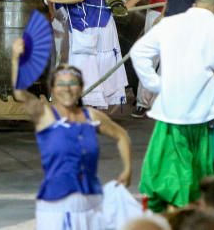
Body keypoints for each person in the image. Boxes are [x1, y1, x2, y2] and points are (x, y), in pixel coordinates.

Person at [130, 0, 214, 212]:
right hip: (204, 110)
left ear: (194, 4)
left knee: (170, 166)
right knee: (202, 168)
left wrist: (155, 83)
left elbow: (139, 53)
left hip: (171, 109)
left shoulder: (169, 23)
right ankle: (202, 210)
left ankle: (171, 210)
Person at [10, 41, 131, 230]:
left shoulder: (91, 116)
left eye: (73, 83)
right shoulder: (45, 115)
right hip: (56, 208)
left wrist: (127, 169)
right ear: (52, 89)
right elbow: (20, 93)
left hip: (92, 205)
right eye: (61, 84)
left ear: (81, 88)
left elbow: (122, 135)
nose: (67, 88)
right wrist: (16, 58)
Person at [22, 0, 128, 109]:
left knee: (101, 70)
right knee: (82, 70)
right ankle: (85, 112)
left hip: (100, 25)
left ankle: (95, 113)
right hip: (78, 30)